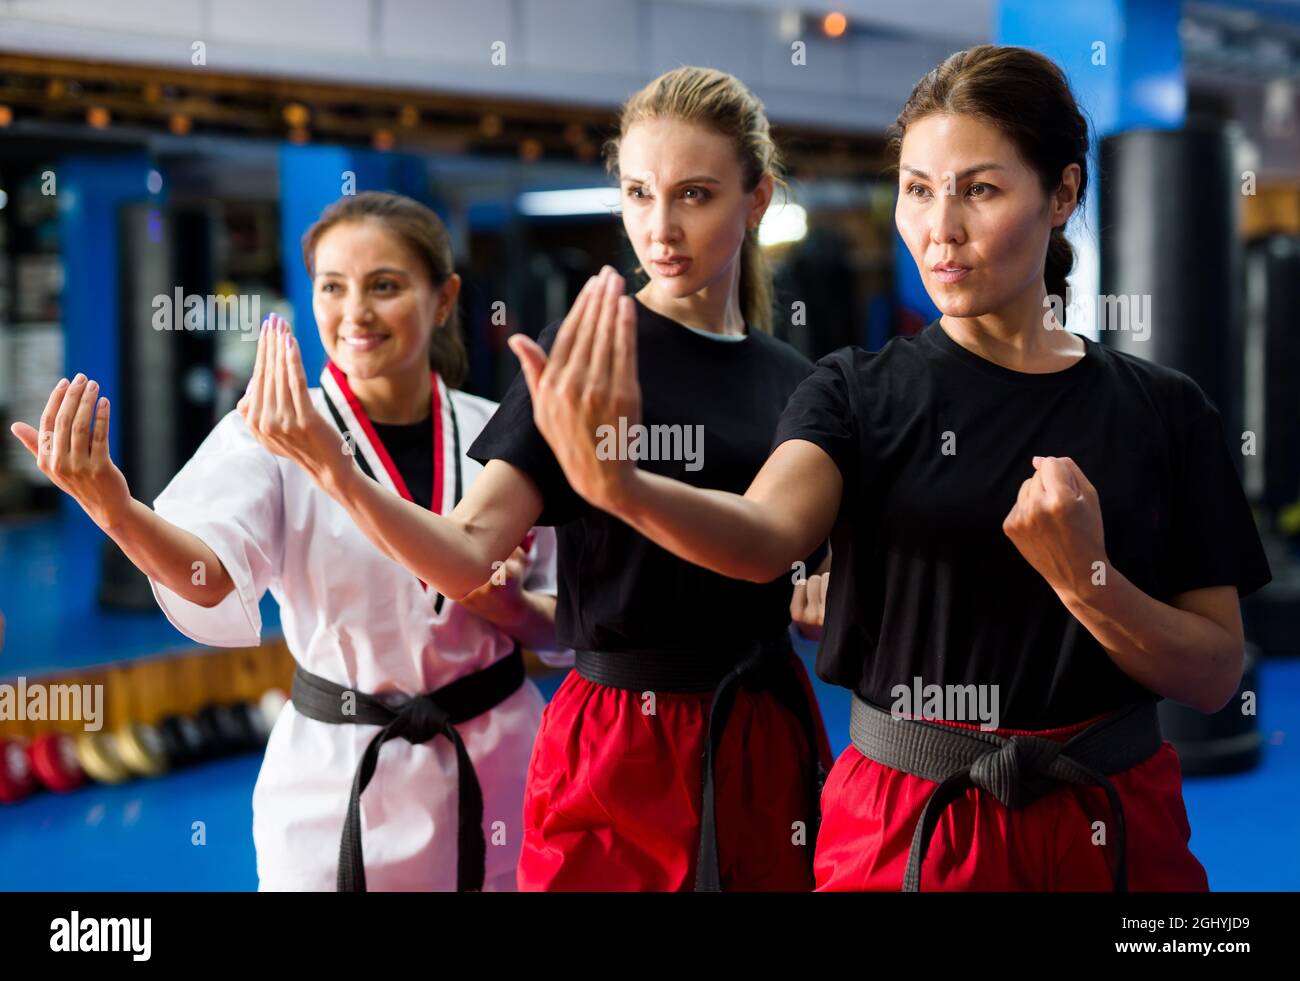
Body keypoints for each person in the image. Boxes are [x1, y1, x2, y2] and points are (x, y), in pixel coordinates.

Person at [506, 45, 1273, 891]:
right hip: (910, 825)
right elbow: (765, 536)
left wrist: (1090, 584)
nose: (939, 229)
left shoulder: (1165, 412)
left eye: (979, 189)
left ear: (1062, 193)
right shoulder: (853, 393)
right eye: (917, 188)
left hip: (1112, 817)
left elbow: (1210, 677)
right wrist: (622, 486)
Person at [236, 67, 832, 891]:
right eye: (638, 192)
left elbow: (802, 561)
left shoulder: (797, 381)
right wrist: (336, 471)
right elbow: (469, 551)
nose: (660, 226)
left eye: (694, 195)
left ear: (756, 198)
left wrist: (828, 587)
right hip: (617, 739)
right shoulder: (589, 349)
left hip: (759, 729)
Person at [10, 191, 560, 892]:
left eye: (384, 285)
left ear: (445, 297)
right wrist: (118, 510)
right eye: (332, 287)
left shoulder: (496, 437)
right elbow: (209, 576)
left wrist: (510, 602)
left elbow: (565, 617)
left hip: (502, 764)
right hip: (339, 780)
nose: (354, 312)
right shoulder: (268, 433)